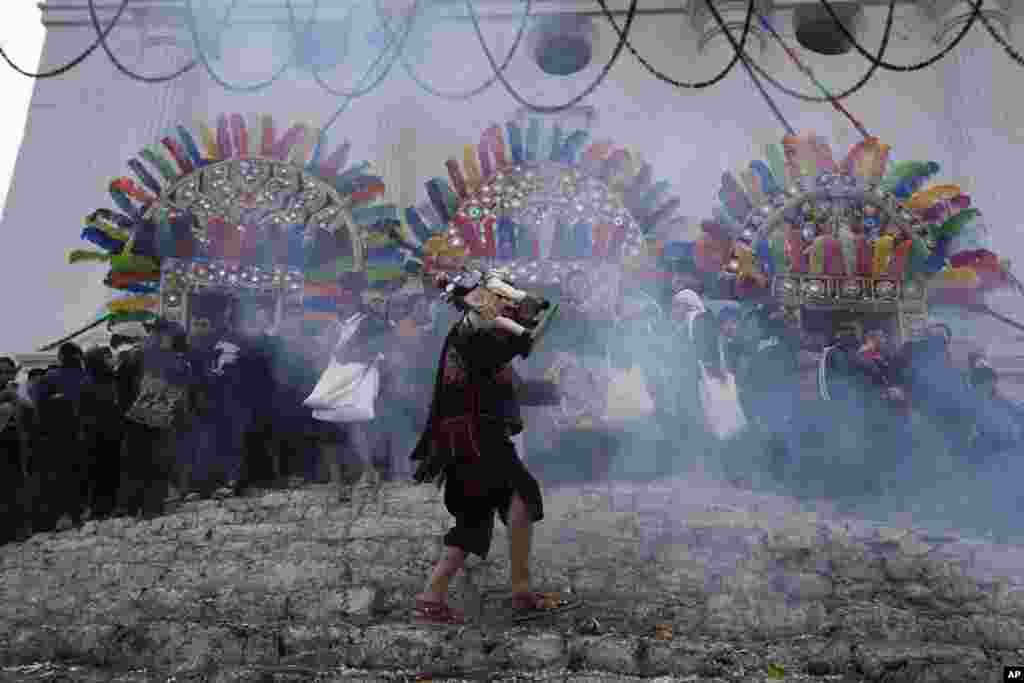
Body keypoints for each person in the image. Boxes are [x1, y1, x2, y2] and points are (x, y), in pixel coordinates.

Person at [409, 296, 566, 624]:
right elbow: (520, 343)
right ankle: (521, 590)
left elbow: (516, 388)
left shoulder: (476, 342)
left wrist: (558, 389)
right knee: (521, 495)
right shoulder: (472, 339)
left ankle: (431, 597)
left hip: (469, 441)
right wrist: (533, 323)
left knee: (474, 520)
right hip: (476, 439)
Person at [116, 320, 198, 518]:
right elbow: (182, 396)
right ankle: (150, 508)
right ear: (167, 336)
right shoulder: (177, 362)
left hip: (136, 421)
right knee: (157, 465)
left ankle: (129, 509)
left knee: (135, 464)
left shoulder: (133, 356)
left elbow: (121, 391)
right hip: (160, 422)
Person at [80, 347, 123, 519]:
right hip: (103, 432)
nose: (110, 360)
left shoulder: (98, 380)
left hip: (101, 432)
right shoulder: (102, 382)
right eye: (106, 358)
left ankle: (104, 507)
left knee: (104, 470)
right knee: (105, 470)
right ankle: (103, 508)